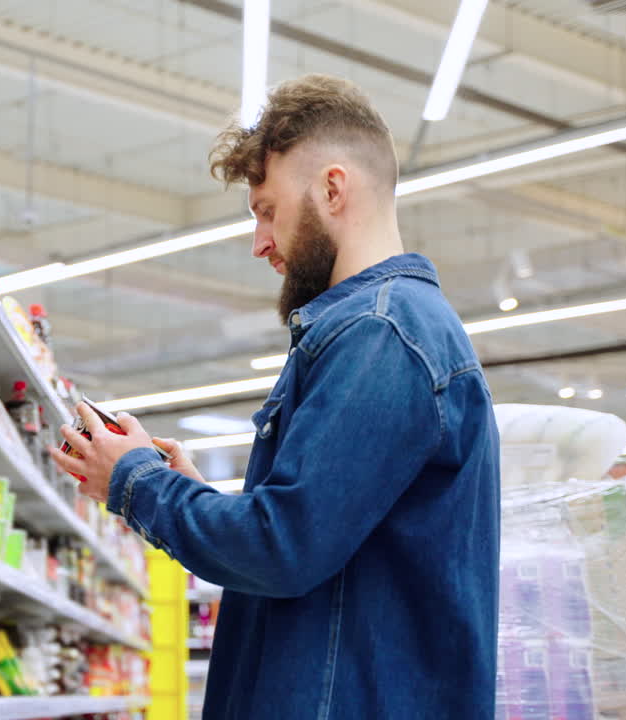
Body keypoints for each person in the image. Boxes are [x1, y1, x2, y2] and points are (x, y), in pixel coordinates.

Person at [51, 74, 500, 719]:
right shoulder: (376, 331)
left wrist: (136, 483)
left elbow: (281, 548)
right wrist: (195, 497)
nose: (261, 242)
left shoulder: (381, 334)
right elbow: (311, 542)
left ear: (333, 189)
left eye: (267, 211)